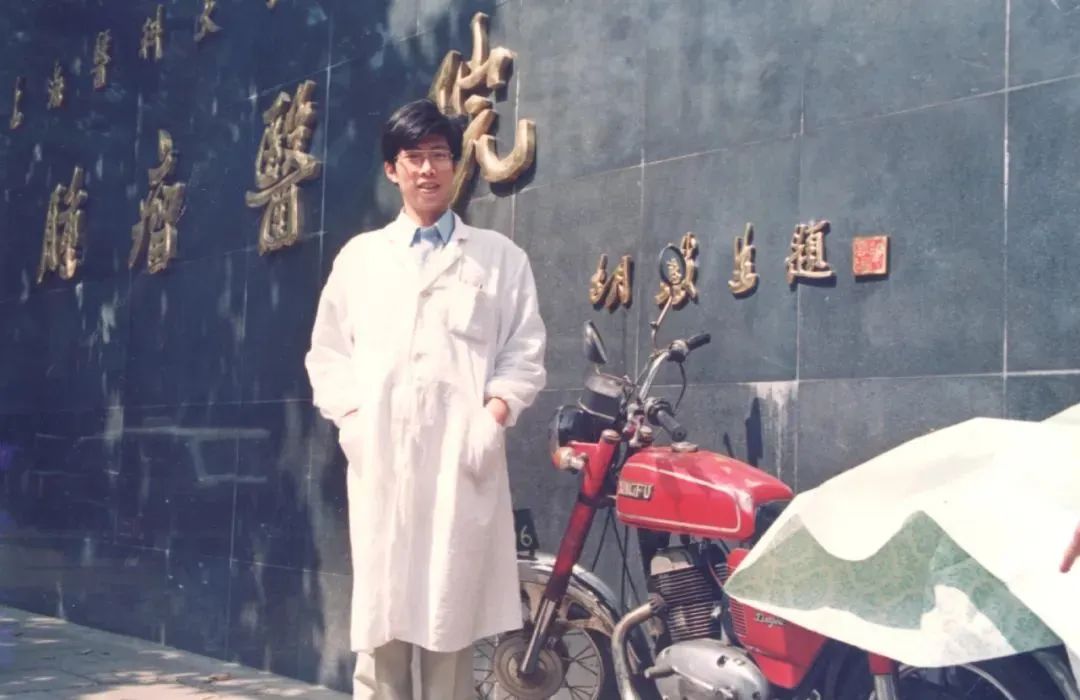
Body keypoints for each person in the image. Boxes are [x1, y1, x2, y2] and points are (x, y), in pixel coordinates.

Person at [305, 99, 546, 700]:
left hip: (458, 465)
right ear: (393, 170)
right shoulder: (361, 259)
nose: (427, 169)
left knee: (448, 625)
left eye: (439, 155)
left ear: (455, 166)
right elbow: (328, 355)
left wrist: (492, 417)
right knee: (382, 631)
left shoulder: (498, 258)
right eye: (413, 157)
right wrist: (354, 423)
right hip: (383, 462)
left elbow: (524, 352)